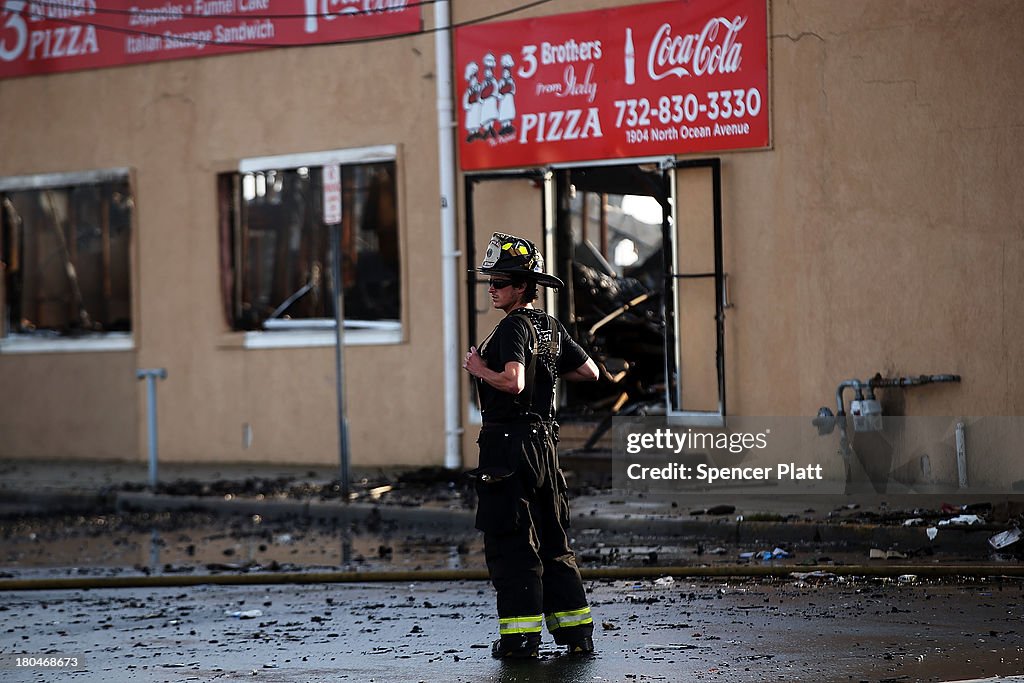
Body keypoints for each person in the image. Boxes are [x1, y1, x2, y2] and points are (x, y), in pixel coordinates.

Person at [463, 232, 600, 659]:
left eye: (500, 282)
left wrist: (479, 368)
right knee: (554, 540)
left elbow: (513, 380)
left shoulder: (513, 326)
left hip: (508, 449)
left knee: (513, 542)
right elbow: (591, 372)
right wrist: (550, 370)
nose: (492, 289)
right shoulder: (551, 327)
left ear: (522, 285)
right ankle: (576, 634)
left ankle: (520, 639)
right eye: (490, 282)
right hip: (545, 448)